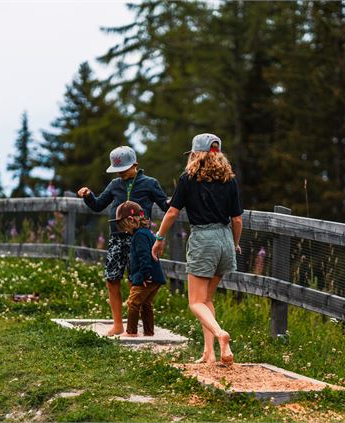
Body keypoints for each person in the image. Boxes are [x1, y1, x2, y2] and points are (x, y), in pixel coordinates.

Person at [151, 133, 242, 365]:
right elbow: (237, 219)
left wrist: (159, 237)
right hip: (224, 239)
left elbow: (172, 212)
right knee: (207, 299)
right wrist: (235, 243)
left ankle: (221, 335)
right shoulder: (229, 179)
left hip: (204, 239)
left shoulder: (188, 178)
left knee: (195, 302)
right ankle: (209, 353)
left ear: (194, 154)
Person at [77, 146, 169, 336]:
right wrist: (88, 196)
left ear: (135, 164)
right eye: (118, 170)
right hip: (117, 239)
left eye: (124, 168)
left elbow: (167, 207)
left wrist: (160, 234)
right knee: (112, 279)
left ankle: (136, 326)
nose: (120, 173)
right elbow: (98, 205)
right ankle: (118, 324)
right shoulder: (114, 185)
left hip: (140, 239)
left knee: (137, 281)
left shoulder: (150, 183)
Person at [111, 201, 166, 337]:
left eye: (122, 224)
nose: (122, 228)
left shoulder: (139, 235)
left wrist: (145, 276)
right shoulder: (146, 233)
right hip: (156, 277)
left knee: (133, 303)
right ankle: (149, 332)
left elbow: (144, 257)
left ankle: (131, 332)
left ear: (130, 220)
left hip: (146, 277)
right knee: (146, 304)